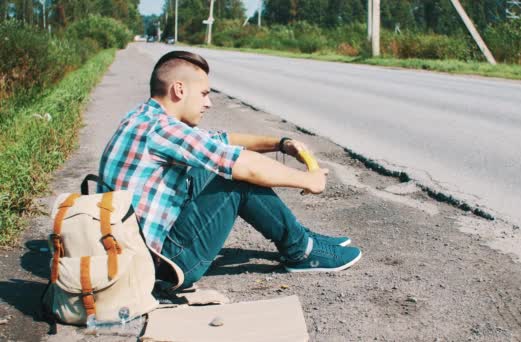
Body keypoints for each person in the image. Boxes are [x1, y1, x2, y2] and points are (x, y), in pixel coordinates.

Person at [98, 50, 362, 288]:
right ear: (179, 90)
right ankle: (301, 251)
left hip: (130, 252)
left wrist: (281, 144)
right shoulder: (163, 129)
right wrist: (308, 180)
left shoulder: (145, 117)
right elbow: (245, 166)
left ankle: (300, 237)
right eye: (204, 94)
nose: (208, 103)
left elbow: (218, 140)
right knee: (234, 178)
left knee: (212, 166)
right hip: (163, 267)